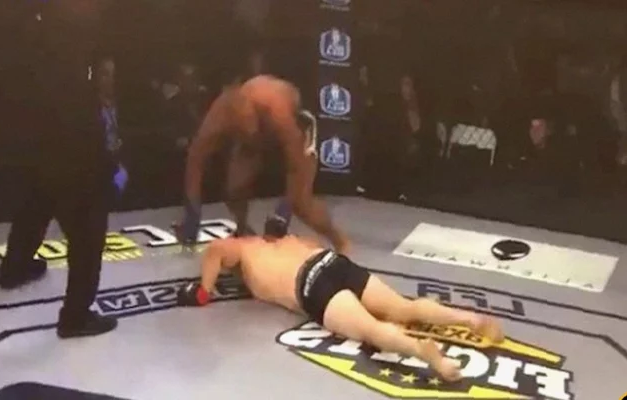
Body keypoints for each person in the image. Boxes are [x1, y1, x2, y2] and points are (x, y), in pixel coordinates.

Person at [177, 217, 504, 381]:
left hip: (309, 283)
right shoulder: (289, 241)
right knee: (403, 307)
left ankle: (428, 355)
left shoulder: (238, 248)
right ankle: (471, 320)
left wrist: (201, 291)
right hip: (330, 261)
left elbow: (214, 255)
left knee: (372, 330)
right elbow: (311, 243)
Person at [0, 0, 120, 339]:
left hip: (34, 139)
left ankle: (15, 267)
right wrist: (103, 158)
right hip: (69, 145)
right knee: (87, 229)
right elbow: (77, 103)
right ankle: (76, 316)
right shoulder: (73, 36)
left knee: (36, 201)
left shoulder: (34, 27)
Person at [177, 75, 351, 254]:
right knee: (235, 189)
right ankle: (243, 231)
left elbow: (295, 168)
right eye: (241, 127)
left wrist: (282, 214)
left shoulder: (277, 111)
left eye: (249, 123)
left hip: (296, 130)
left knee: (301, 203)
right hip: (258, 139)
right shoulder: (219, 116)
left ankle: (340, 241)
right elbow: (195, 158)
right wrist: (192, 211)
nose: (249, 129)